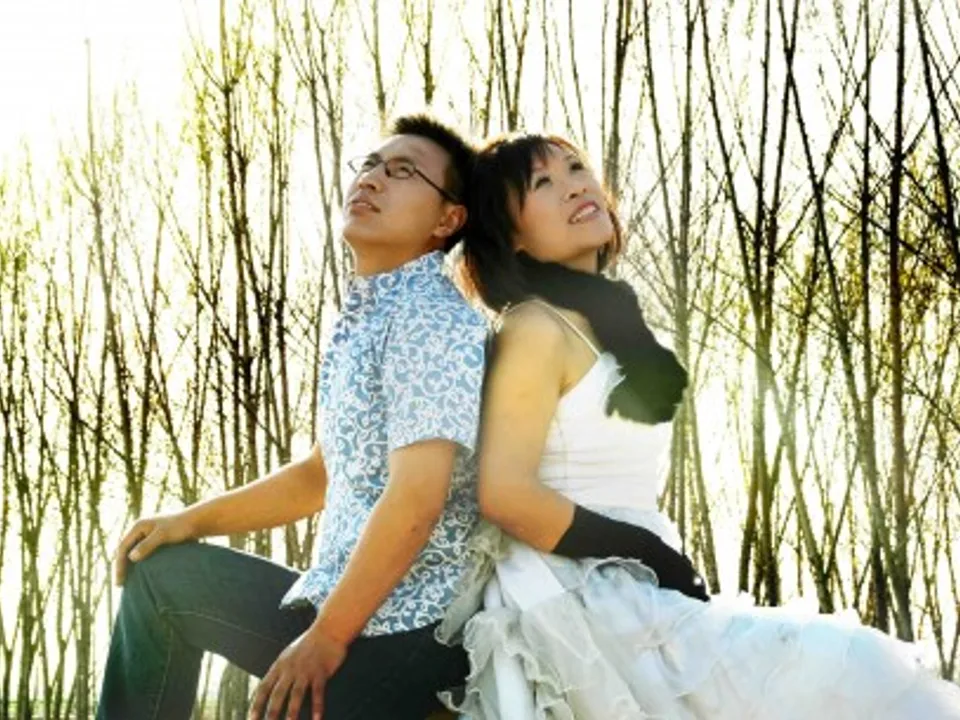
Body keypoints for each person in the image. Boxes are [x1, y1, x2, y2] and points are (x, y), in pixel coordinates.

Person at [436, 132, 960, 718]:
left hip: (630, 580)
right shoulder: (535, 327)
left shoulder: (609, 323)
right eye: (543, 183)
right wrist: (646, 553)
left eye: (576, 167)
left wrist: (653, 560)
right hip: (573, 588)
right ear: (511, 236)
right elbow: (504, 493)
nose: (575, 186)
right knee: (852, 664)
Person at [96, 115, 489, 720]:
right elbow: (319, 475)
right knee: (163, 575)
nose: (372, 179)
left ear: (447, 220)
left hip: (406, 634)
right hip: (341, 611)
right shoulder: (368, 315)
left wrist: (327, 637)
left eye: (403, 171)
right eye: (370, 164)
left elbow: (417, 500)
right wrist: (186, 522)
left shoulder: (430, 318)